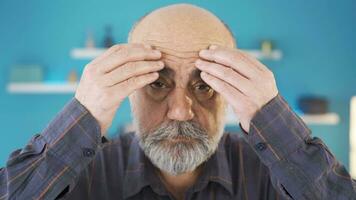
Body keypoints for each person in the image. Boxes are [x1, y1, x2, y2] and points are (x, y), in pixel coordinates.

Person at [0, 3, 355, 200]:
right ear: (129, 90)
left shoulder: (271, 177)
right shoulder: (85, 178)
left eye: (204, 87)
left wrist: (270, 115)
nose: (181, 112)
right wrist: (84, 113)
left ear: (230, 93)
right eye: (157, 84)